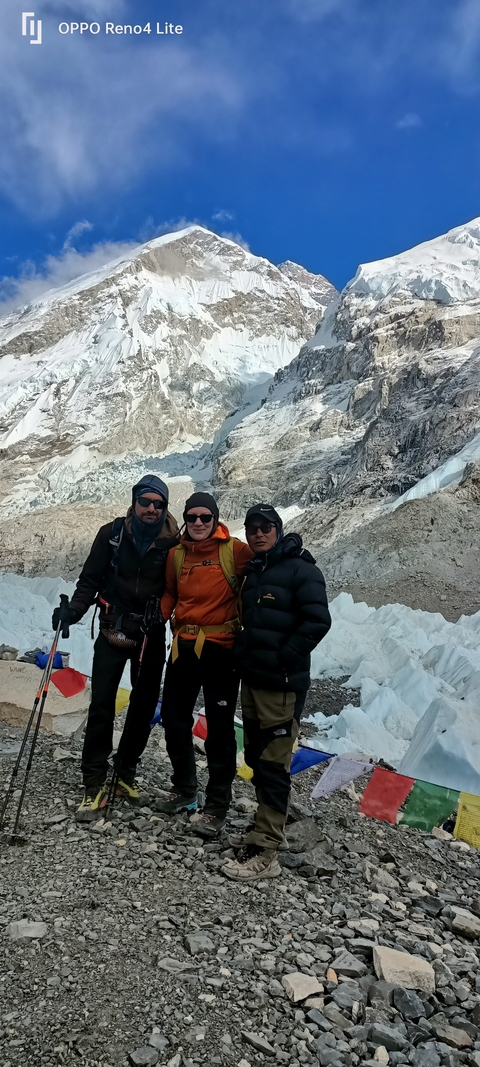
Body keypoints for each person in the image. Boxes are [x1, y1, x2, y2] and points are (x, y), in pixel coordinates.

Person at [52, 476, 179, 821]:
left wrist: (164, 613)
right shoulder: (111, 535)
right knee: (102, 705)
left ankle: (124, 773)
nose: (151, 508)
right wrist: (73, 611)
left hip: (150, 635)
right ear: (134, 502)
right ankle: (94, 781)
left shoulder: (175, 544)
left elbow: (181, 589)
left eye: (158, 503)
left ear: (165, 507)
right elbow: (90, 580)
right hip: (112, 628)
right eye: (146, 501)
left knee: (142, 708)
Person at [222, 503, 331, 881]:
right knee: (256, 755)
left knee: (272, 762)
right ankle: (260, 831)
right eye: (252, 527)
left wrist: (285, 658)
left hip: (281, 686)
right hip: (253, 681)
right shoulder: (255, 571)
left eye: (266, 526)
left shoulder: (302, 569)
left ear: (279, 529)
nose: (258, 532)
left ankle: (267, 852)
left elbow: (319, 620)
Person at [157, 492, 253, 837]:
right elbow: (171, 591)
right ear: (185, 519)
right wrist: (162, 613)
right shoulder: (176, 555)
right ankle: (185, 790)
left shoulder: (234, 551)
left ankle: (217, 804)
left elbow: (264, 564)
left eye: (205, 517)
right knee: (173, 717)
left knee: (221, 728)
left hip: (221, 649)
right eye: (192, 517)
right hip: (183, 647)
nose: (199, 523)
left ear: (216, 519)